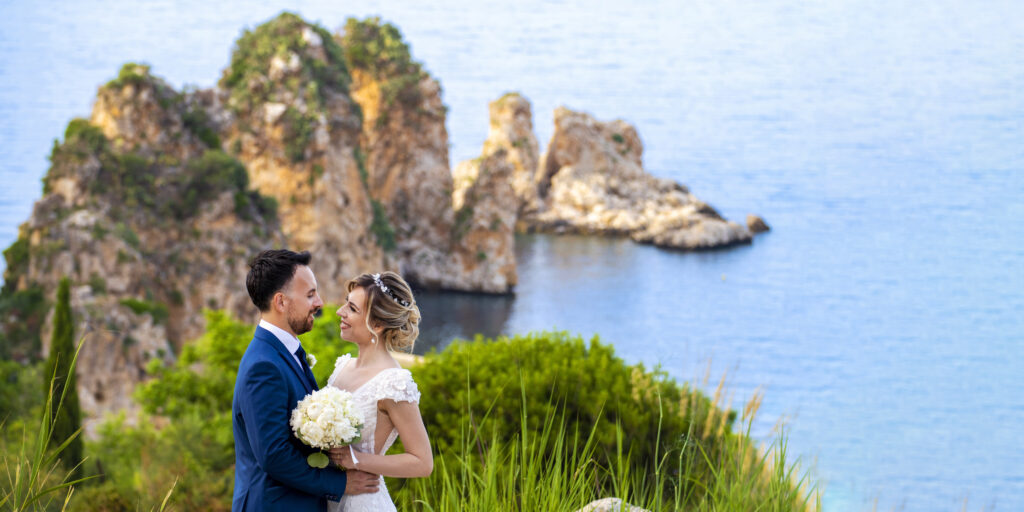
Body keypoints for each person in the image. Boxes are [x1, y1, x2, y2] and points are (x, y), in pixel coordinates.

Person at [232, 249, 381, 511]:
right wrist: (340, 484)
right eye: (310, 294)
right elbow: (274, 455)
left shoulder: (281, 353)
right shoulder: (263, 365)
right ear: (281, 302)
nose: (320, 302)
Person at [325, 271, 433, 512]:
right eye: (346, 303)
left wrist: (357, 459)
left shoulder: (394, 383)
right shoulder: (343, 365)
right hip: (331, 494)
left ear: (377, 324)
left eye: (352, 309)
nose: (340, 312)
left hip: (362, 501)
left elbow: (423, 462)